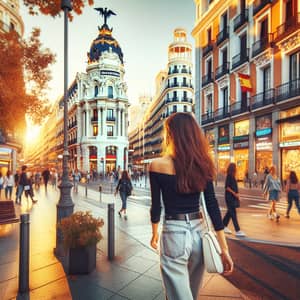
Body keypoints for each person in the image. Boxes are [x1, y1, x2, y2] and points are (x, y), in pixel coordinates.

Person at [149, 113, 233, 300]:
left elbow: (156, 207)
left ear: (170, 134)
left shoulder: (156, 165)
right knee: (192, 294)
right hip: (200, 233)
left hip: (174, 233)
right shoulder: (203, 163)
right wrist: (223, 248)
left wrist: (154, 233)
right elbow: (212, 206)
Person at [223, 163, 246, 237]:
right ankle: (237, 230)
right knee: (233, 213)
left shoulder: (232, 176)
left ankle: (223, 226)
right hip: (229, 197)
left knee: (230, 212)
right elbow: (227, 187)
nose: (237, 169)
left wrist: (238, 195)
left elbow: (234, 187)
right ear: (233, 169)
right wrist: (235, 194)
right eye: (235, 167)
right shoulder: (229, 176)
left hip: (232, 197)